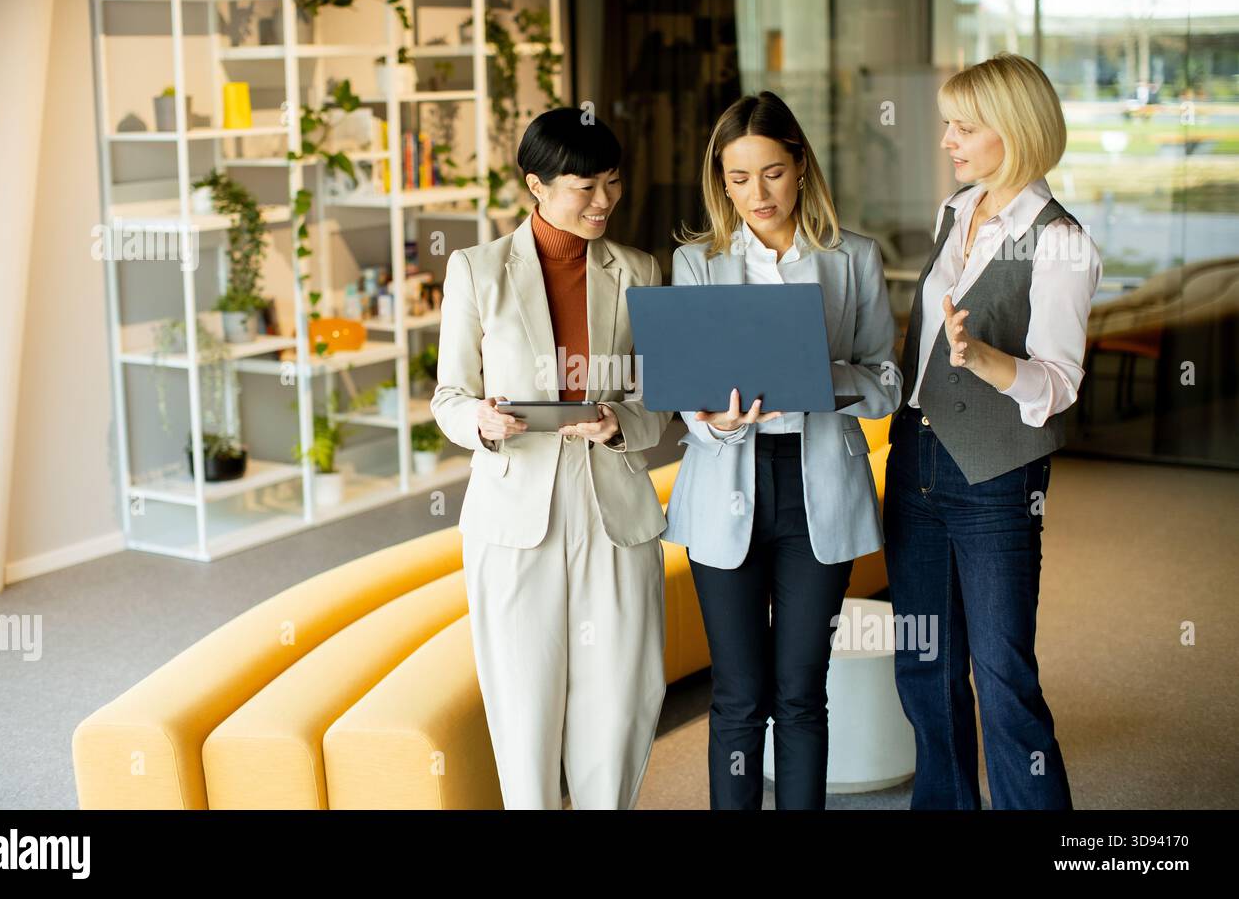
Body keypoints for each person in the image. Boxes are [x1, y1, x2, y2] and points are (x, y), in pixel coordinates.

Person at [662, 90, 902, 809]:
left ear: (799, 165)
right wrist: (711, 419)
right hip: (723, 489)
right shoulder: (696, 263)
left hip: (816, 489)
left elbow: (889, 384)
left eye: (770, 172)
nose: (755, 194)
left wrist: (821, 376)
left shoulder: (853, 258)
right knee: (737, 695)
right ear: (720, 182)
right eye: (737, 179)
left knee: (800, 694)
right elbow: (687, 396)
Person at [430, 107, 673, 809]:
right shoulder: (477, 271)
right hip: (514, 511)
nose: (604, 202)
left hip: (614, 506)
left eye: (614, 184)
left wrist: (619, 420)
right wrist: (478, 420)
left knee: (620, 696)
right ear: (534, 184)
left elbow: (659, 397)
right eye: (584, 186)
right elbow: (449, 395)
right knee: (525, 696)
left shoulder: (638, 270)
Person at [885, 52, 1102, 809]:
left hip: (998, 477)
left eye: (964, 127)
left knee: (1003, 675)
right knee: (922, 663)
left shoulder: (1061, 240)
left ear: (1012, 132)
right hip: (914, 456)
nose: (947, 139)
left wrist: (981, 360)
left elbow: (1058, 383)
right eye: (948, 122)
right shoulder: (955, 211)